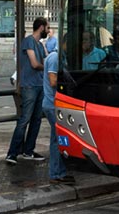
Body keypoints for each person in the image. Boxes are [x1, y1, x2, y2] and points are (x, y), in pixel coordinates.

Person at [6, 17, 49, 165]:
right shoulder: (29, 41)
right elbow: (35, 64)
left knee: (36, 120)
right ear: (42, 27)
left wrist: (44, 49)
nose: (49, 31)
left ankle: (28, 150)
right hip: (30, 85)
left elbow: (46, 59)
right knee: (25, 119)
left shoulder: (39, 43)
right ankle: (12, 153)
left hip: (39, 85)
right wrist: (47, 67)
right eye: (47, 28)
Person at [42, 44, 75, 185]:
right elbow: (53, 80)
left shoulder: (59, 56)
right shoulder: (55, 57)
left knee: (56, 139)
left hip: (52, 104)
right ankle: (56, 173)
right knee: (57, 140)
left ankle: (58, 171)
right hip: (52, 104)